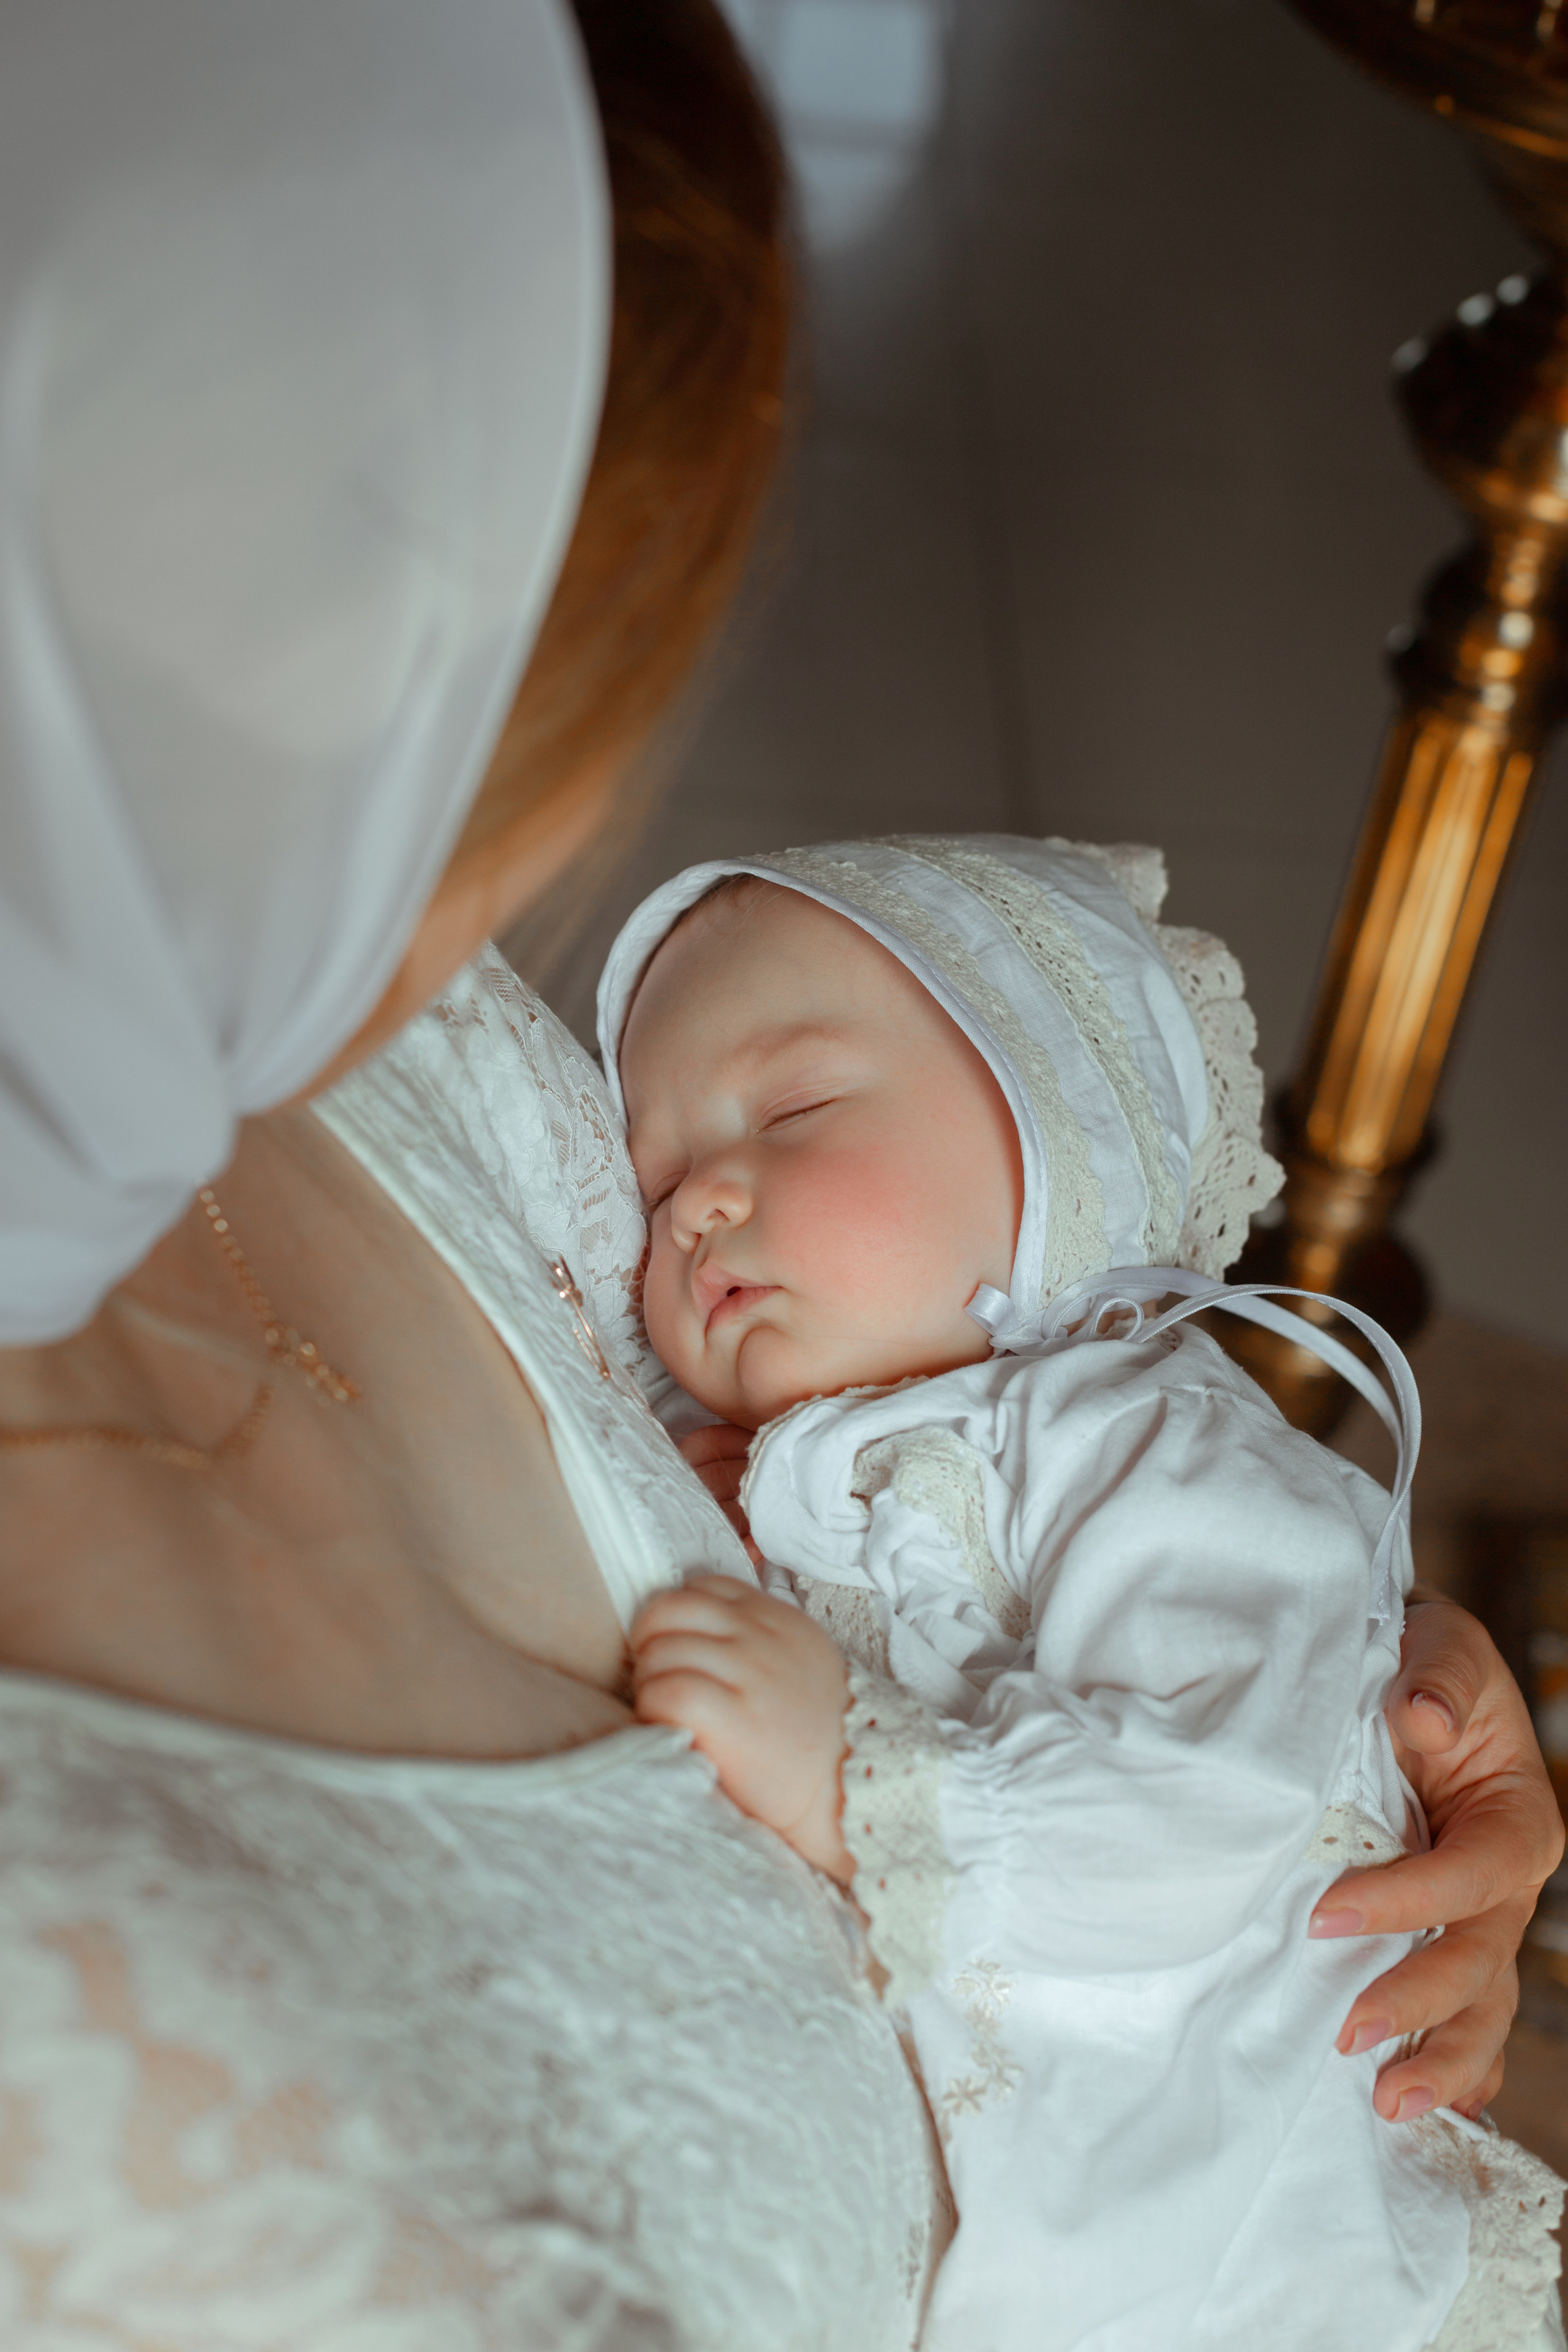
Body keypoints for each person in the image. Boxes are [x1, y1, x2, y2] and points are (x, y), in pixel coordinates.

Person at [0, 2, 1556, 2345]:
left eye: (788, 1121)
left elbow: (1220, 1749)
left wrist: (1340, 1710)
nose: (678, 1206)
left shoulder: (347, 1000)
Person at [601, 837, 1567, 2352]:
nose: (696, 1205)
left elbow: (1208, 1796)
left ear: (1060, 1140)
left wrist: (861, 1777)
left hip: (1251, 2243)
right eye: (651, 1179)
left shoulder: (1157, 1441)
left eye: (790, 1111)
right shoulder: (821, 1451)